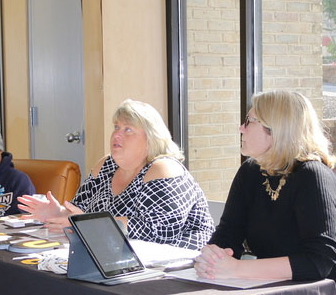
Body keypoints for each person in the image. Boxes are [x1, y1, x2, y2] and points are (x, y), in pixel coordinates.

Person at [196, 90, 336, 295]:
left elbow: (318, 262)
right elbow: (229, 232)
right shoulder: (250, 172)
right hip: (274, 294)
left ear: (275, 131)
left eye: (249, 121)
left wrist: (239, 268)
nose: (241, 128)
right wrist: (213, 257)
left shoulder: (312, 176)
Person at [17, 99, 214, 249]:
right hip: (117, 257)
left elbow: (158, 232)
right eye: (116, 127)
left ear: (152, 138)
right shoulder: (106, 165)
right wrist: (60, 213)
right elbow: (79, 213)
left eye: (128, 129)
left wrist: (91, 224)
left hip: (181, 266)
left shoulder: (163, 168)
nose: (117, 135)